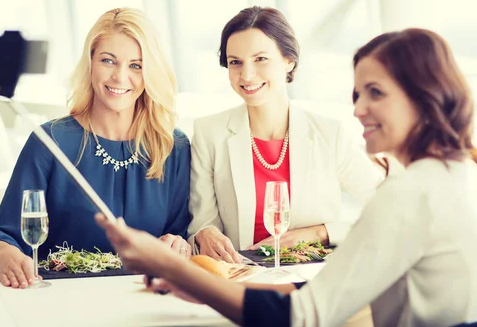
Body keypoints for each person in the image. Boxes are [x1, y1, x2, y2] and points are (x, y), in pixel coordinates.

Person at [96, 28, 477, 327]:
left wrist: (167, 265)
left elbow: (300, 317)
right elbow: (336, 288)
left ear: (425, 95)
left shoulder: (409, 193)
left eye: (376, 93)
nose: (358, 109)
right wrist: (207, 286)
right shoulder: (456, 175)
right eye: (357, 93)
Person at [0, 8, 192, 289]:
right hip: (63, 301)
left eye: (136, 66)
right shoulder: (50, 141)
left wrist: (179, 245)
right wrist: (8, 256)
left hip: (146, 298)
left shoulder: (173, 146)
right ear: (90, 63)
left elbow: (181, 236)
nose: (119, 76)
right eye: (108, 61)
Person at [188, 6, 383, 262]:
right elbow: (201, 224)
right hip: (242, 276)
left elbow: (387, 206)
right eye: (236, 62)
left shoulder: (329, 134)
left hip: (313, 275)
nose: (246, 75)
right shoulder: (208, 133)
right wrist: (205, 234)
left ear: (288, 60)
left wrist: (321, 232)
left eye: (260, 59)